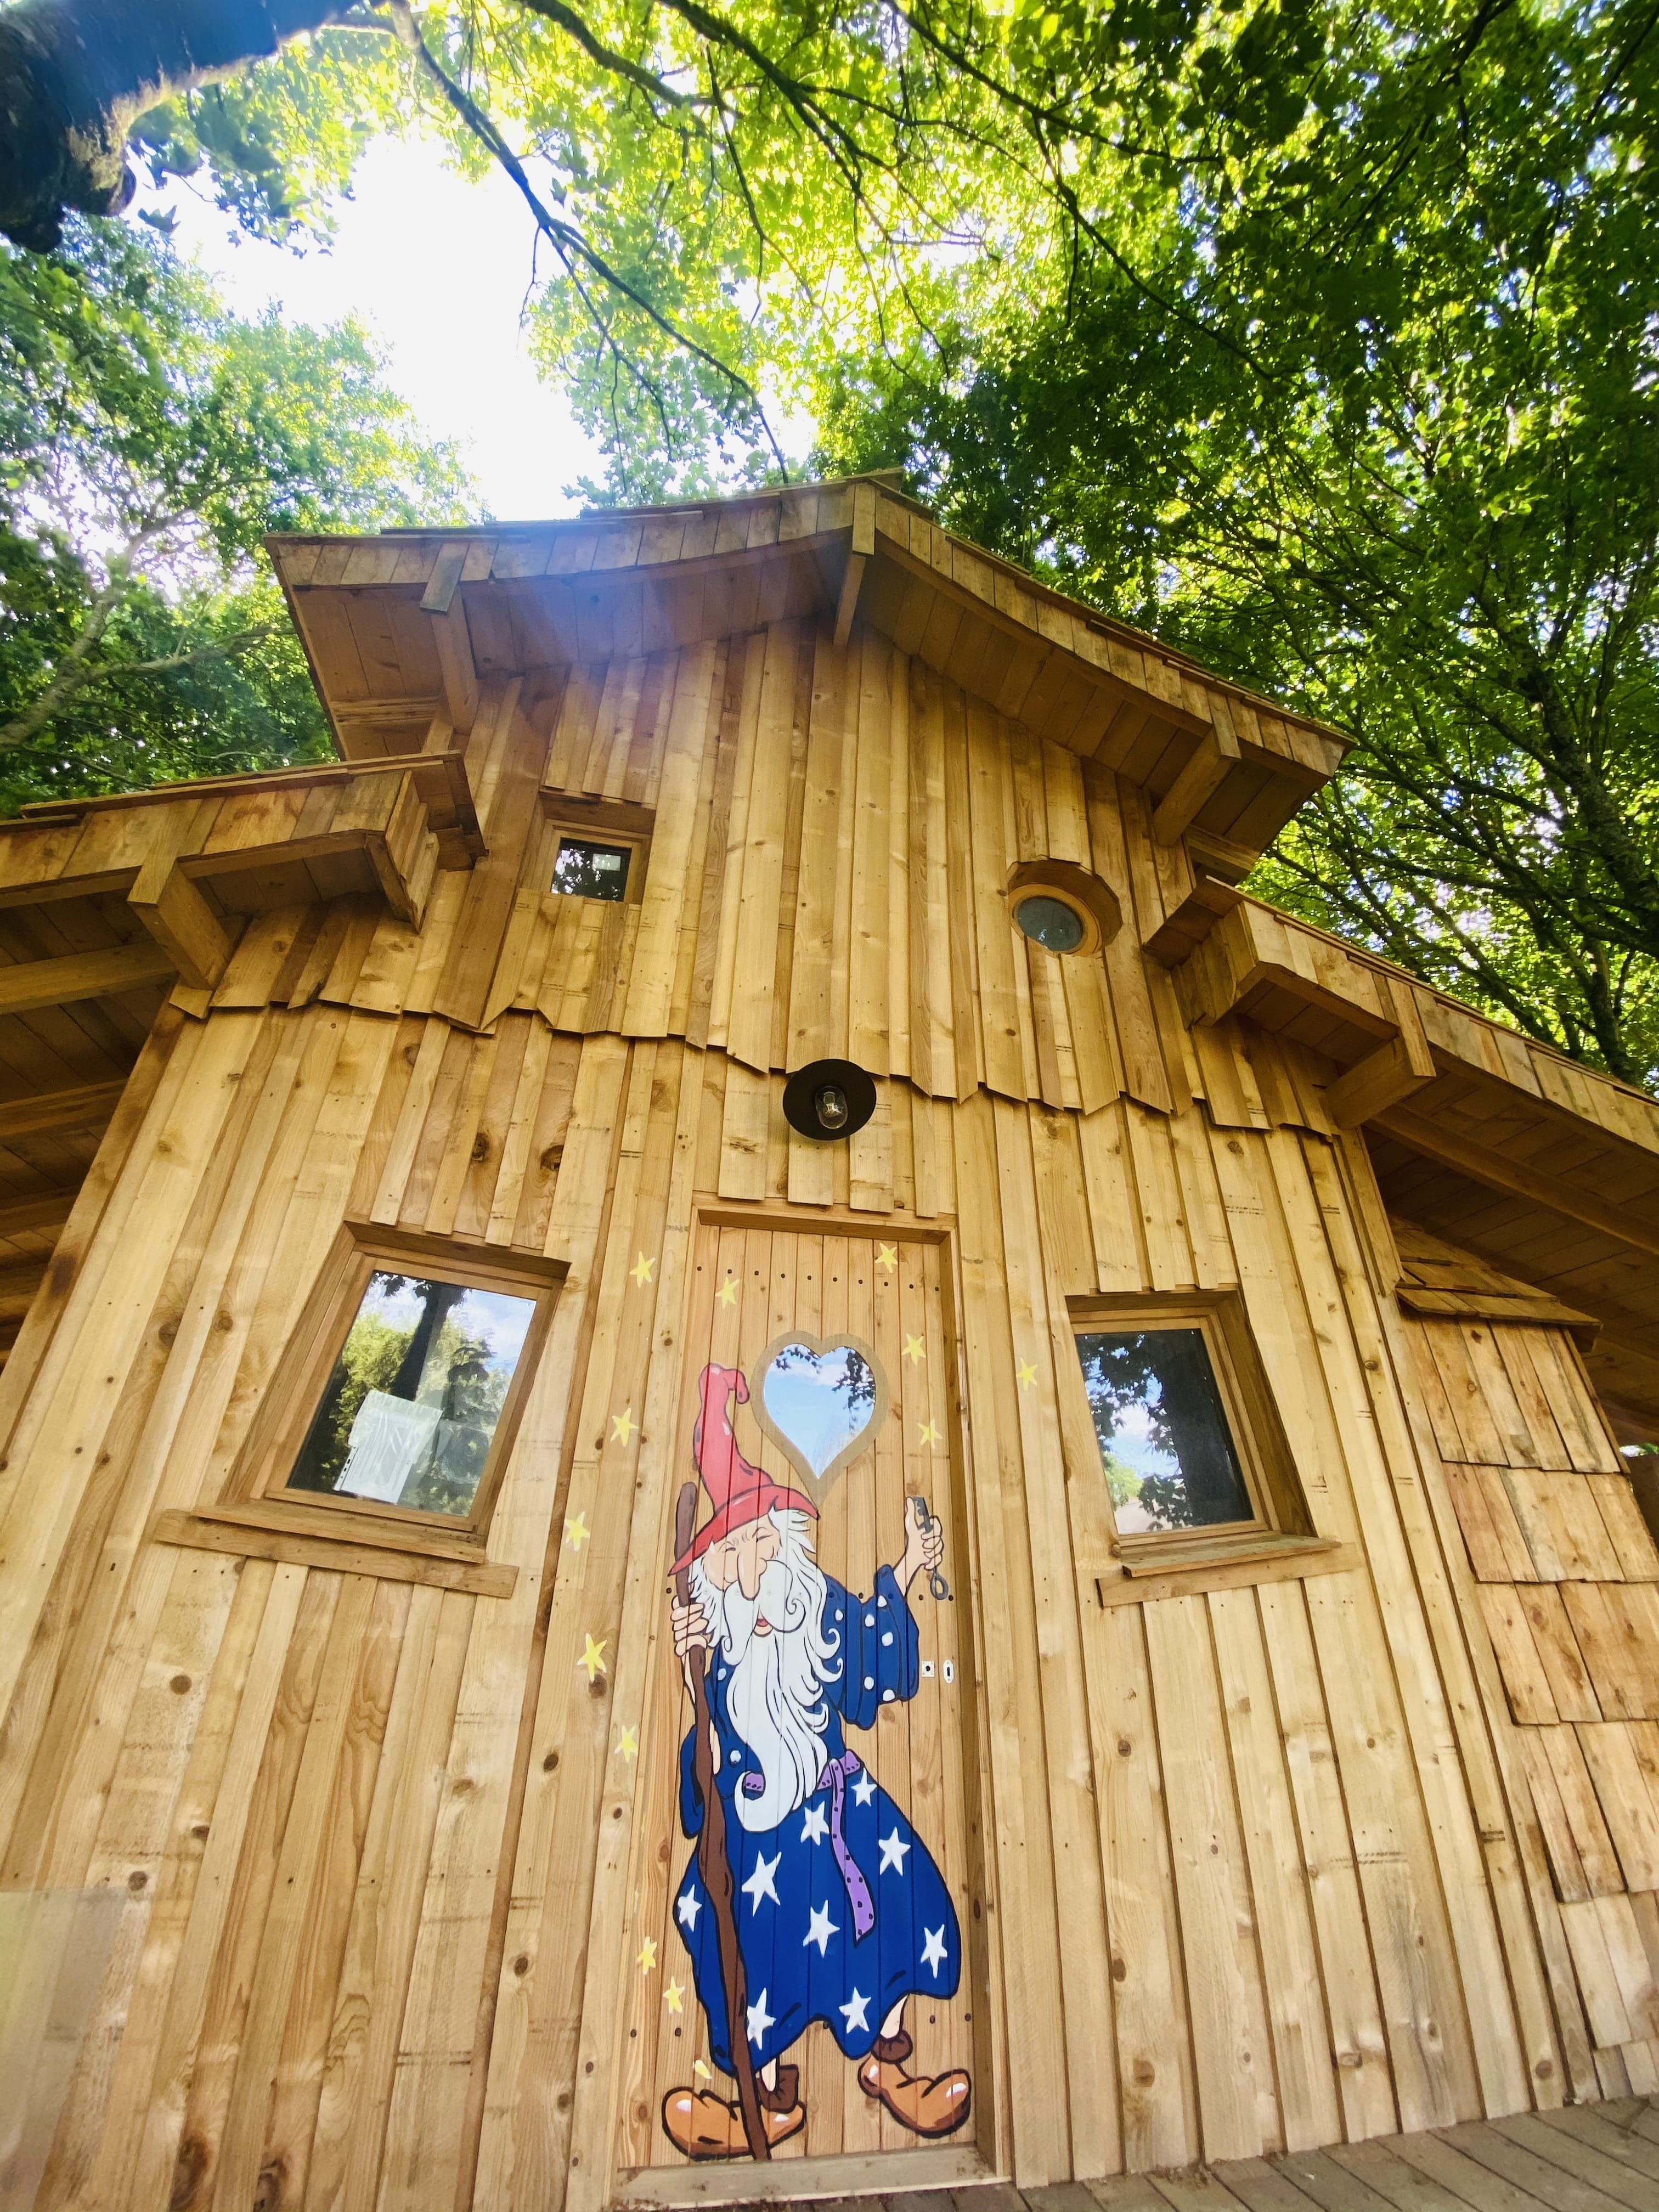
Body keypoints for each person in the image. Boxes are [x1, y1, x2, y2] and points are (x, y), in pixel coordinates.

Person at [662, 1362, 970, 2160]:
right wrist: (683, 1668)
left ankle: (890, 2064)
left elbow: (869, 1652)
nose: (757, 1567)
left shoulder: (814, 1609)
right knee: (750, 1949)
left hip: (841, 1810)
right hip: (752, 1837)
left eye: (766, 1540)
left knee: (901, 1903)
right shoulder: (718, 1654)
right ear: (713, 1575)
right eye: (735, 1554)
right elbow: (702, 1769)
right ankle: (761, 2100)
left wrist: (907, 1567)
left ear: (789, 1544)